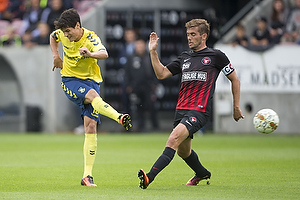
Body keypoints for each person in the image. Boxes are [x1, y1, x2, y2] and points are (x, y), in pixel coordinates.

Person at [138, 19, 244, 189]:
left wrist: (236, 106)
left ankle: (149, 177)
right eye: (188, 34)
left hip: (199, 111)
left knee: (172, 139)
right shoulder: (185, 57)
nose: (189, 38)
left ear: (204, 36)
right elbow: (162, 74)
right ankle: (202, 173)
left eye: (193, 34)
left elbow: (235, 79)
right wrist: (152, 52)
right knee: (183, 151)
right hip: (181, 110)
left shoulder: (216, 56)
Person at [49, 8, 132, 187]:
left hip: (91, 80)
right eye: (64, 32)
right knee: (93, 96)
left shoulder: (91, 38)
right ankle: (119, 117)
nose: (66, 36)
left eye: (68, 32)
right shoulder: (61, 34)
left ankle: (87, 176)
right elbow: (52, 36)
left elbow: (104, 53)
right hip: (70, 80)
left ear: (78, 26)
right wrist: (56, 56)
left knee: (91, 126)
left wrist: (90, 54)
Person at [125, 39, 160, 132]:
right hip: (135, 87)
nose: (140, 48)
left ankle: (155, 127)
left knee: (151, 106)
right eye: (138, 46)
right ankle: (140, 126)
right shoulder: (131, 58)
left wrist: (155, 83)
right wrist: (128, 85)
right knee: (137, 107)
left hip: (148, 87)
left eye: (141, 45)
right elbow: (127, 73)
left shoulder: (150, 57)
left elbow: (156, 71)